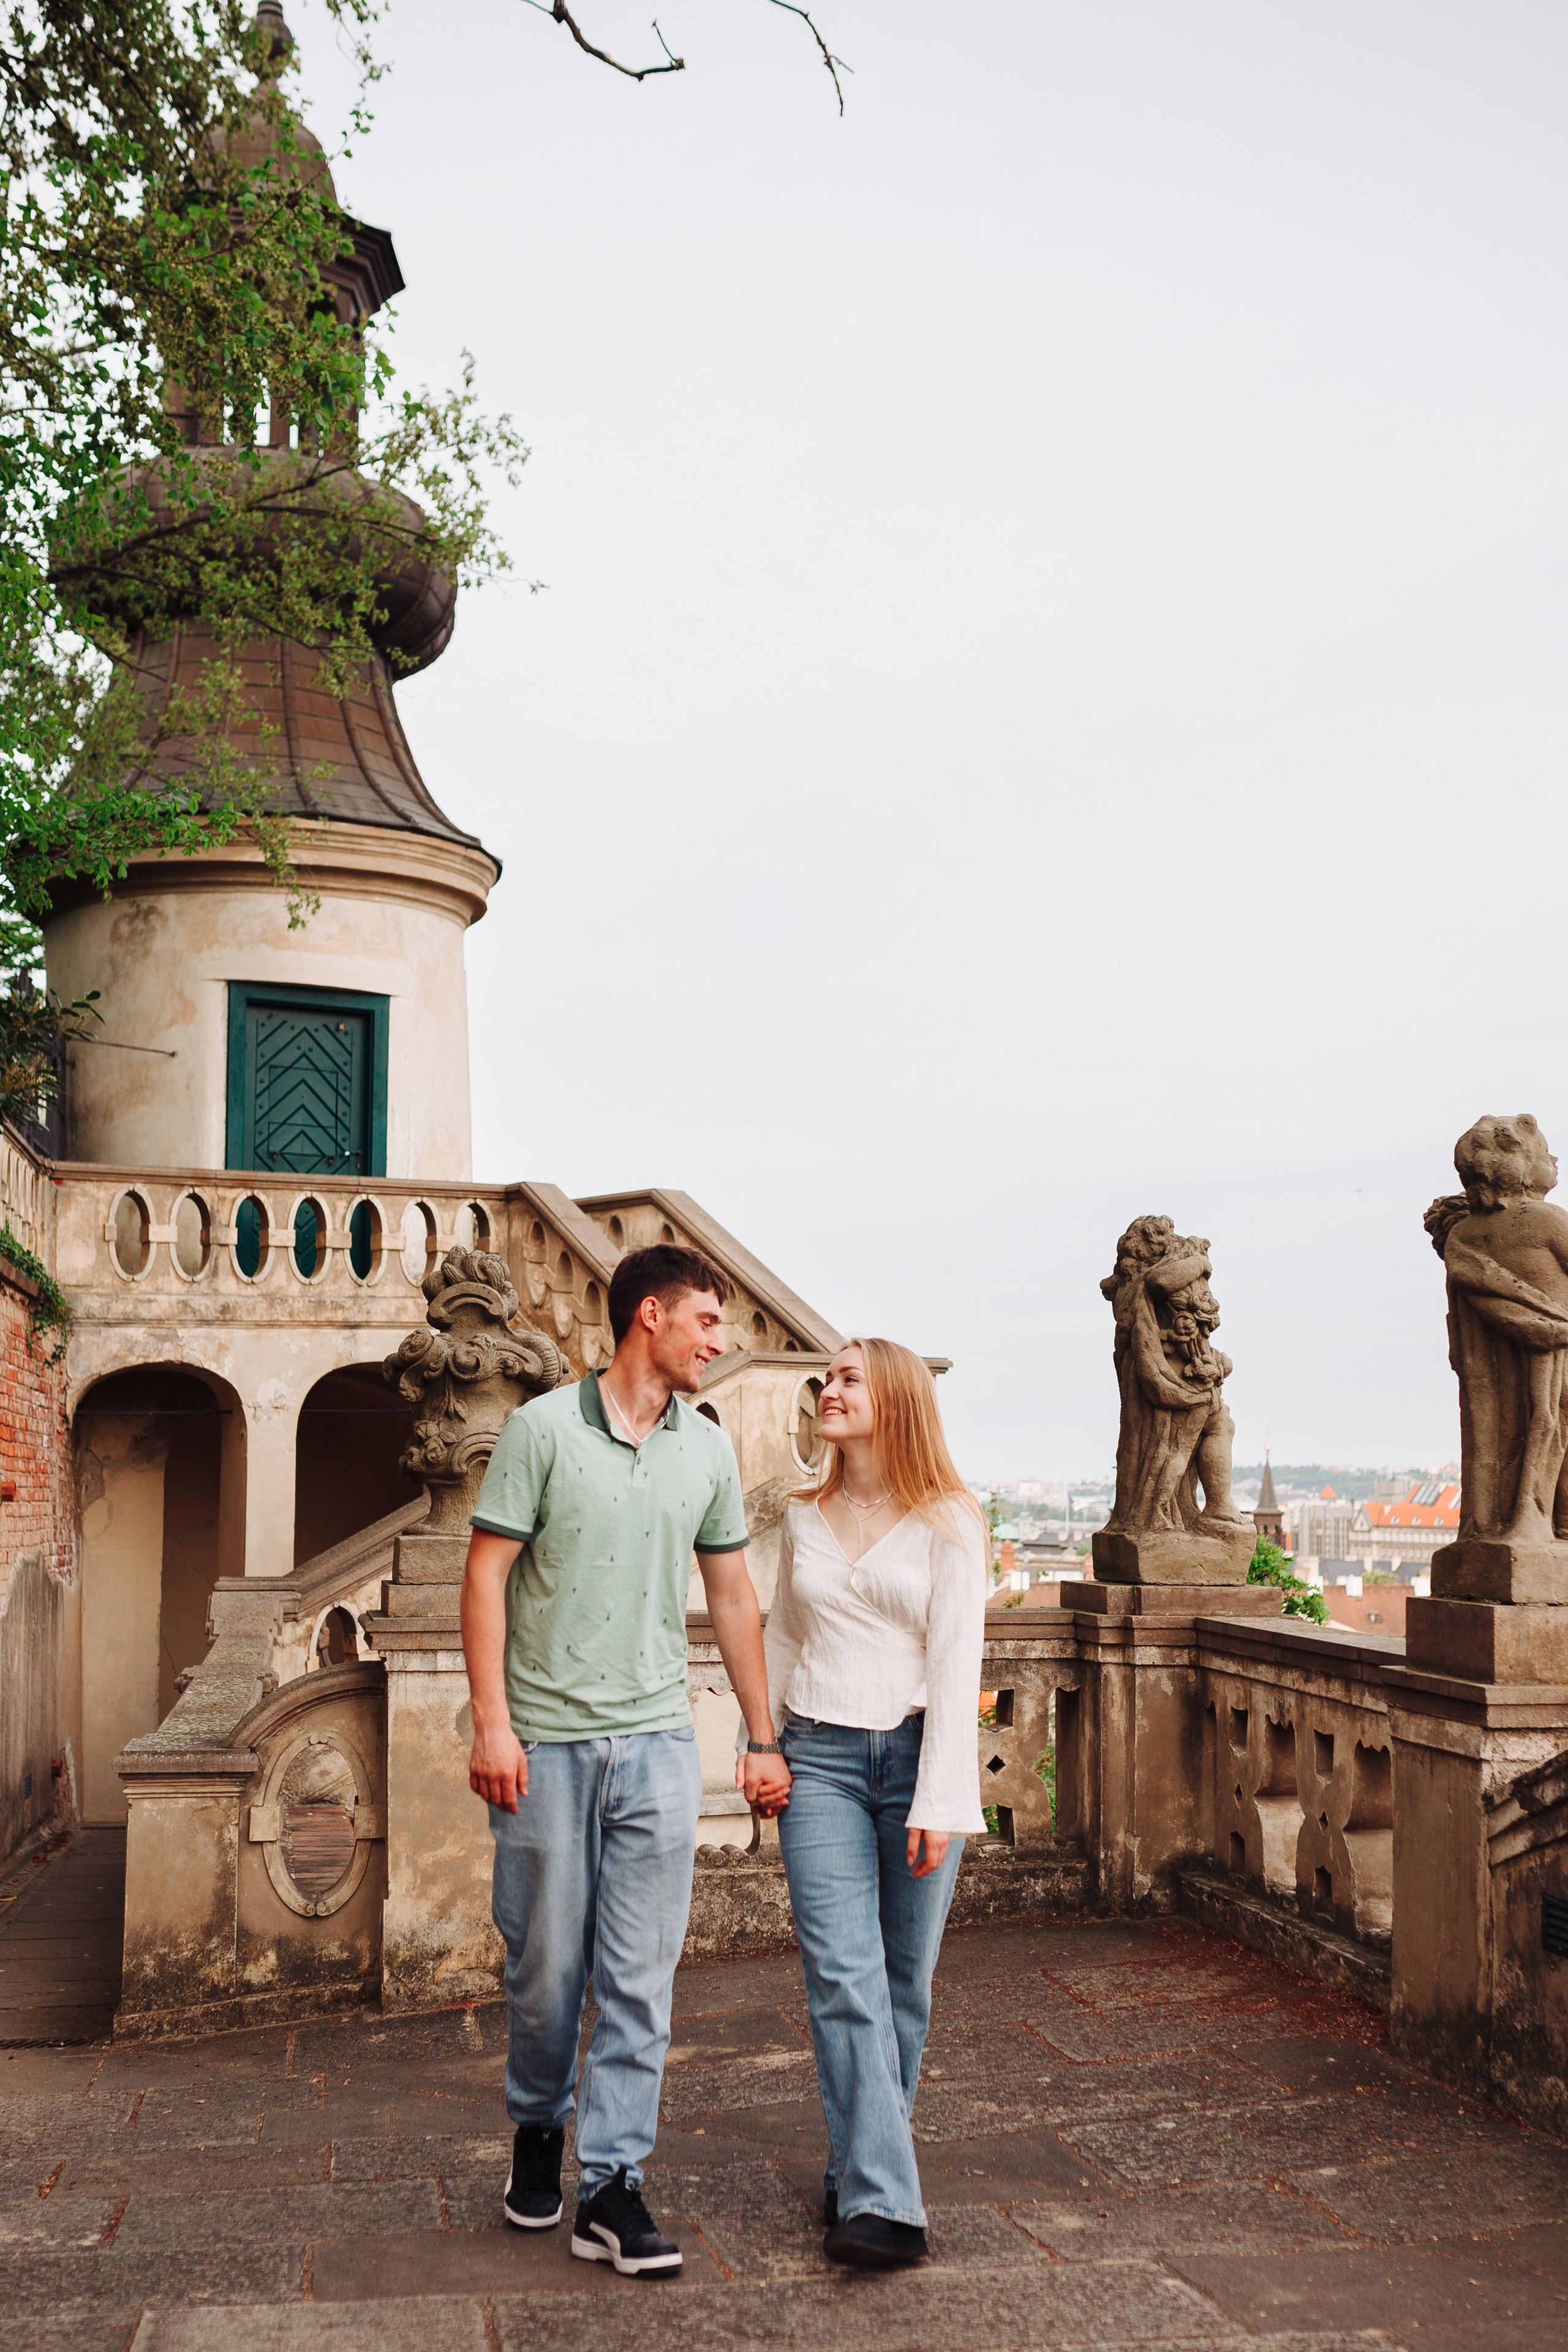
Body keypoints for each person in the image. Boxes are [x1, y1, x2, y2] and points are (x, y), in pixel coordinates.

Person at [461, 1244, 791, 2277]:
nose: (719, 1342)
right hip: (546, 1744)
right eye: (706, 1322)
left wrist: (761, 1733)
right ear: (649, 1315)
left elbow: (733, 1596)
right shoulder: (541, 1430)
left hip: (656, 1744)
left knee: (643, 1979)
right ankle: (534, 2127)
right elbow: (483, 1579)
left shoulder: (706, 1448)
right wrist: (491, 1723)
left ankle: (612, 2183)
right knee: (547, 1973)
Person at [756, 1336, 987, 2271]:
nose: (829, 1390)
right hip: (818, 1759)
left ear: (893, 1401)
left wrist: (939, 1797)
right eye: (828, 1378)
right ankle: (888, 2206)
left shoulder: (950, 1521)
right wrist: (759, 1745)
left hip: (915, 1764)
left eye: (849, 1378)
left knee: (904, 1988)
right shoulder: (803, 1517)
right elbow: (779, 1639)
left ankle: (857, 2165)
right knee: (842, 1978)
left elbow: (956, 1663)